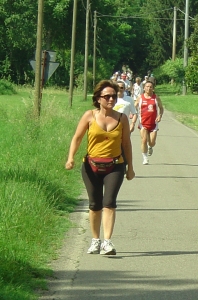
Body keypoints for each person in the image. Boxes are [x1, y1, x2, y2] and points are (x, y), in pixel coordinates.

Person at [65, 80, 135, 255]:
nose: (111, 99)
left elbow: (126, 144)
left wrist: (130, 167)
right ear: (98, 98)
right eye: (107, 96)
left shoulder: (122, 118)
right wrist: (70, 158)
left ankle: (107, 242)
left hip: (115, 166)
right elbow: (77, 138)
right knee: (95, 204)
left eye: (114, 96)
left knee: (109, 203)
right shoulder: (89, 116)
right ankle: (95, 240)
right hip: (91, 166)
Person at [134, 81, 164, 165]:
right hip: (143, 123)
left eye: (150, 86)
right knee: (143, 140)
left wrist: (160, 115)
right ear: (144, 88)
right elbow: (134, 106)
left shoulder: (156, 98)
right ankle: (145, 158)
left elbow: (161, 108)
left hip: (153, 124)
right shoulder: (140, 97)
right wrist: (132, 112)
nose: (149, 88)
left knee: (152, 142)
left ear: (153, 88)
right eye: (147, 86)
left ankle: (150, 146)